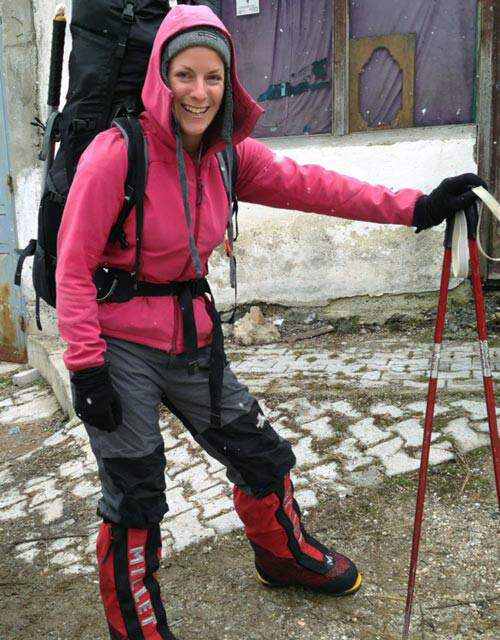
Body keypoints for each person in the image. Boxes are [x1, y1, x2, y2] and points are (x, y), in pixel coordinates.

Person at [55, 5, 486, 640]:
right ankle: (138, 630)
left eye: (212, 77)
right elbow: (72, 270)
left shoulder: (229, 156)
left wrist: (414, 206)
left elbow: (317, 186)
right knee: (136, 498)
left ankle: (281, 557)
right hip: (119, 348)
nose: (198, 93)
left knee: (263, 457)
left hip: (191, 335)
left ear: (229, 82)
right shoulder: (115, 156)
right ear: (159, 77)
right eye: (183, 75)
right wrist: (86, 368)